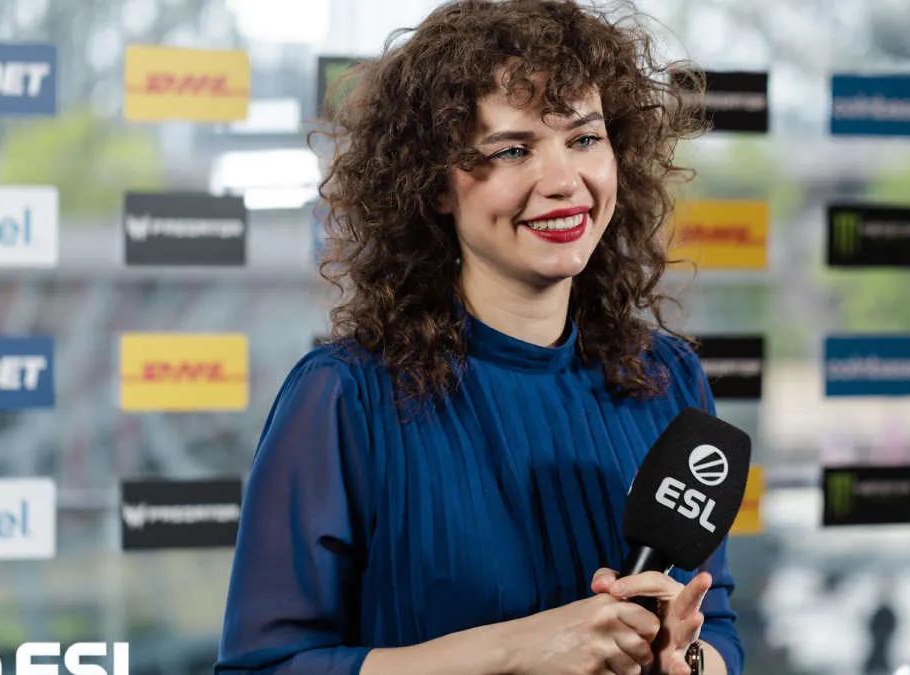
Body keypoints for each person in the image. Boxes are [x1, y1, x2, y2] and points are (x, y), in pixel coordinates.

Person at [216, 1, 743, 673]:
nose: (564, 182)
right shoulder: (343, 398)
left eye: (584, 139)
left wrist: (685, 658)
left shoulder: (667, 377)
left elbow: (716, 626)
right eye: (513, 150)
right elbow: (265, 665)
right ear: (435, 183)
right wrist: (515, 649)